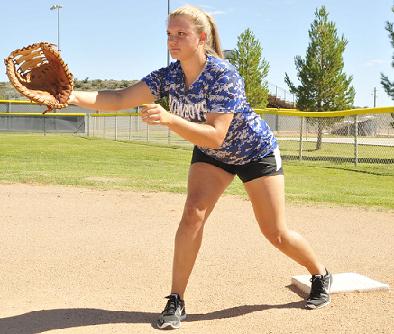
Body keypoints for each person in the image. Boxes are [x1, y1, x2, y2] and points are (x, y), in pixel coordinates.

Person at [68, 4, 332, 330]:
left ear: (201, 37)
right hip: (212, 156)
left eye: (181, 34)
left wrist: (167, 119)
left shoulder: (223, 75)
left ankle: (320, 274)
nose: (173, 40)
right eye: (169, 34)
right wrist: (67, 94)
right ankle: (176, 299)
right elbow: (119, 98)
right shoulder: (170, 76)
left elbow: (218, 135)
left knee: (275, 233)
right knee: (193, 212)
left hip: (254, 152)